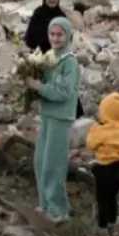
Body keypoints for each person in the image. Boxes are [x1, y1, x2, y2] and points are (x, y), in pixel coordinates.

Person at [26, 17, 80, 222]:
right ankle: (46, 203)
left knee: (54, 165)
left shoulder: (70, 62)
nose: (56, 38)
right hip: (48, 115)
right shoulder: (50, 58)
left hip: (61, 118)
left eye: (60, 34)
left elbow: (64, 92)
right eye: (52, 34)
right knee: (40, 161)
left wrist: (39, 87)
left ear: (67, 36)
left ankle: (58, 210)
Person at [24, 0, 85, 118]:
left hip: (59, 56)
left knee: (64, 84)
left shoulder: (60, 15)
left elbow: (68, 34)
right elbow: (30, 37)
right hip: (44, 56)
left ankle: (74, 111)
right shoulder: (38, 14)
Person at [85, 92, 119, 236]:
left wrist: (94, 128)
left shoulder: (102, 130)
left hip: (103, 169)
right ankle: (112, 223)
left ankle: (101, 229)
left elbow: (90, 144)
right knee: (112, 197)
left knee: (102, 199)